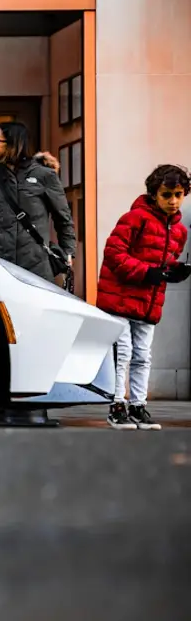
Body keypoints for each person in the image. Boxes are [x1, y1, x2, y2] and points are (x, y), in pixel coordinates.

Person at [95, 164, 191, 430]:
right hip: (119, 298)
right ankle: (116, 406)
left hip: (148, 302)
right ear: (153, 194)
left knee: (143, 355)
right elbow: (114, 254)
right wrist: (149, 272)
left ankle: (138, 406)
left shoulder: (180, 231)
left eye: (179, 194)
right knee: (123, 352)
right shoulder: (134, 218)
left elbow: (163, 263)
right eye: (166, 194)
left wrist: (173, 272)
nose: (173, 201)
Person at [0, 121, 76, 282]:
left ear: (12, 143)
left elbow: (63, 218)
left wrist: (67, 253)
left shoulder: (44, 176)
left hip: (36, 266)